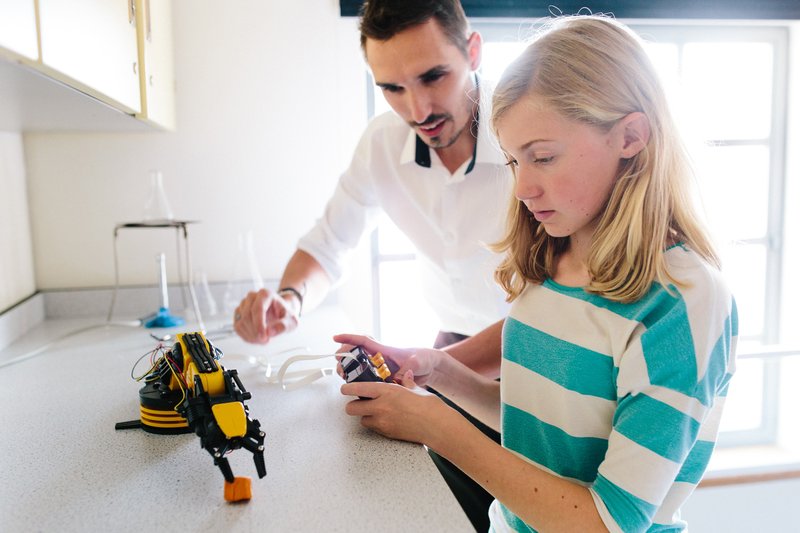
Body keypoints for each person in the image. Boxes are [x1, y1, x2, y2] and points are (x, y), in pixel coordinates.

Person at [338, 15, 738, 532]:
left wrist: (441, 430)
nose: (523, 188)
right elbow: (539, 426)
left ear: (632, 136)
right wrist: (436, 370)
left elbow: (609, 523)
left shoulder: (684, 301)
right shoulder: (551, 262)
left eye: (543, 157)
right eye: (512, 162)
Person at [233, 1, 510, 529]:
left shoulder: (529, 134)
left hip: (537, 359)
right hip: (450, 349)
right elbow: (329, 243)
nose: (419, 108)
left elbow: (554, 309)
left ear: (472, 51)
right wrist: (288, 301)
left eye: (434, 77)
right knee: (452, 517)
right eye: (393, 88)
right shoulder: (382, 143)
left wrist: (426, 369)